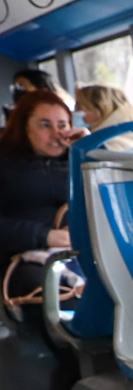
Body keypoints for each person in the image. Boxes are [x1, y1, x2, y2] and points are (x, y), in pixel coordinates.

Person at [0, 90, 82, 301]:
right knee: (54, 290)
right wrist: (43, 235)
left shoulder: (80, 159)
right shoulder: (5, 162)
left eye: (62, 125)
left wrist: (92, 147)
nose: (56, 134)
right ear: (24, 127)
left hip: (82, 251)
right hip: (23, 254)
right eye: (45, 125)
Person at [74, 84, 133, 150]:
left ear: (101, 108)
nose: (75, 113)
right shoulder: (129, 136)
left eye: (79, 107)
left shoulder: (111, 146)